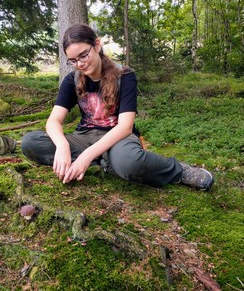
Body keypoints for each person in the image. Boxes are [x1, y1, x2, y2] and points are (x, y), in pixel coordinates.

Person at [21, 23, 214, 190]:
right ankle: (105, 162)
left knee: (130, 162)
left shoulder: (125, 76)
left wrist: (86, 155)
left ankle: (178, 170)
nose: (79, 64)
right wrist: (63, 146)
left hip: (118, 138)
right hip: (84, 137)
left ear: (96, 45)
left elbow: (125, 127)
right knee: (31, 142)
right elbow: (54, 120)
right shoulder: (73, 80)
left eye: (83, 55)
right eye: (73, 60)